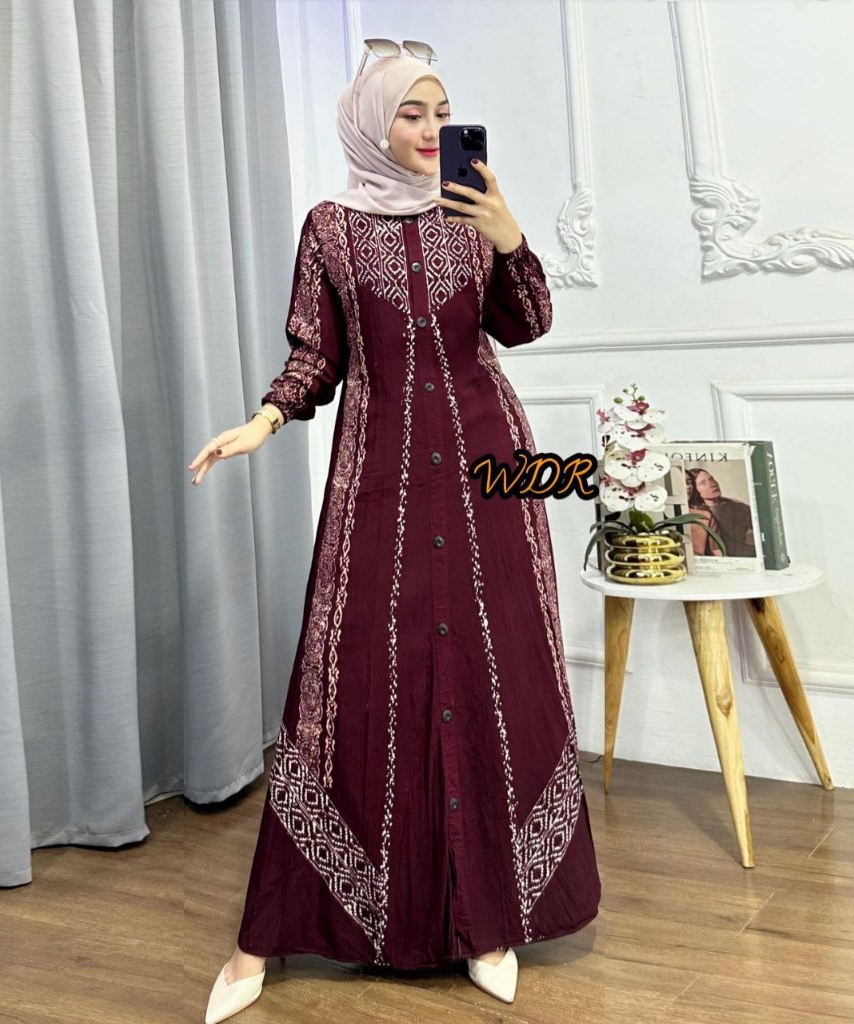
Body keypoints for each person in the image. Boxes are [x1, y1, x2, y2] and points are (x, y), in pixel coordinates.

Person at [188, 41, 601, 1024]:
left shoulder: (473, 215)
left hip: (488, 468)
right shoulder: (330, 229)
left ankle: (490, 919)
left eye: (440, 113)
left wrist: (509, 237)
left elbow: (527, 322)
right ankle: (265, 936)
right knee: (352, 677)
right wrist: (265, 419)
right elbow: (315, 355)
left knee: (493, 672)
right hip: (377, 474)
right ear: (373, 121)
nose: (427, 131)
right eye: (410, 113)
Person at [685, 468, 756, 557]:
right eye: (703, 483)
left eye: (711, 479)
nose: (712, 484)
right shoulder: (696, 513)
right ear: (695, 489)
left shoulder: (738, 507)